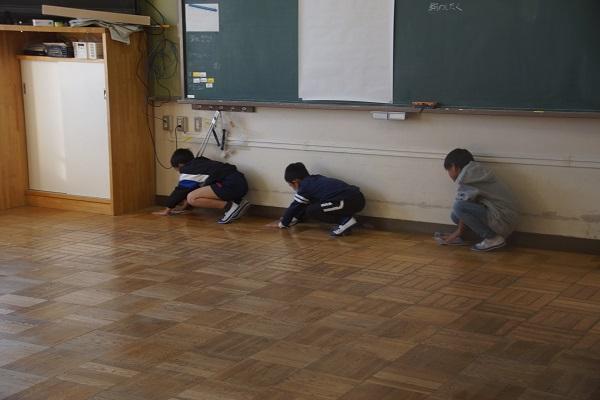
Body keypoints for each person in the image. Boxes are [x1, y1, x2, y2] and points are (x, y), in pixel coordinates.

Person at [440, 148, 518, 251]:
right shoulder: (475, 171)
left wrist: (458, 232)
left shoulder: (466, 177)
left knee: (458, 207)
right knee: (455, 216)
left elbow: (461, 205)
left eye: (448, 170)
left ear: (454, 167)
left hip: (502, 219)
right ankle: (468, 237)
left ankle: (493, 239)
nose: (449, 174)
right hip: (504, 217)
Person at [154, 148, 250, 224]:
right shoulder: (200, 163)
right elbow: (194, 188)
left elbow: (180, 191)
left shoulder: (188, 170)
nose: (179, 173)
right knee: (193, 193)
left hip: (231, 185)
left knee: (192, 198)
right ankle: (238, 203)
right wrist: (185, 206)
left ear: (180, 165)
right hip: (239, 183)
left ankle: (231, 207)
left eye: (177, 169)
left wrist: (167, 209)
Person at [278, 162, 365, 236]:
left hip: (348, 200)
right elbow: (303, 204)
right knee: (312, 204)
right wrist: (296, 217)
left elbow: (295, 206)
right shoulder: (314, 180)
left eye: (290, 185)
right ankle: (345, 223)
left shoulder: (305, 187)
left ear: (295, 182)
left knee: (311, 210)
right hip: (355, 198)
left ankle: (345, 221)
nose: (292, 187)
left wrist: (284, 222)